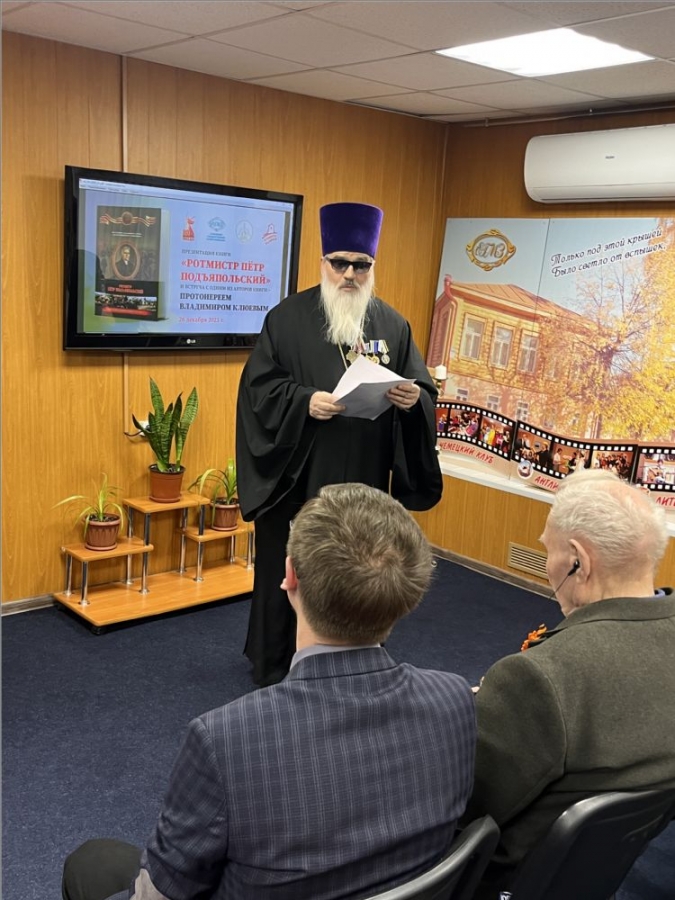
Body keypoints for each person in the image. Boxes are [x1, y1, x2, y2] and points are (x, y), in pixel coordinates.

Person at [61, 483, 476, 900]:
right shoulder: (454, 699)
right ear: (411, 594)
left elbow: (160, 894)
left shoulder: (225, 740)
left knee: (91, 863)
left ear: (290, 575)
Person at [236, 201, 442, 687]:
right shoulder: (286, 319)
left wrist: (413, 398)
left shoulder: (392, 324)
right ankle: (275, 666)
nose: (350, 274)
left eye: (361, 265)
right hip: (297, 476)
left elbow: (422, 386)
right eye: (340, 263)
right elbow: (258, 390)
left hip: (364, 476)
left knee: (359, 570)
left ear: (372, 266)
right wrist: (304, 401)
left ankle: (352, 665)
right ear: (324, 262)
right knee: (291, 570)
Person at [465, 468, 675, 900]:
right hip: (598, 870)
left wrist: (480, 712)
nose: (548, 565)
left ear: (578, 561)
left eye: (548, 549)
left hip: (501, 880)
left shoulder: (539, 677)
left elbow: (462, 806)